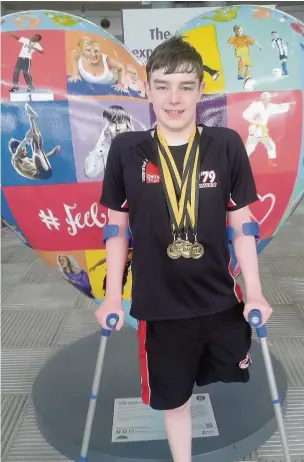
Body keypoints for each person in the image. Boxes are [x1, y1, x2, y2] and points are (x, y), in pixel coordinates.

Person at [95, 36, 272, 462]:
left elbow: (242, 226)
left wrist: (255, 291)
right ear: (148, 90)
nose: (174, 99)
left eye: (186, 86)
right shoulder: (125, 150)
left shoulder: (226, 145)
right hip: (161, 307)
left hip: (218, 299)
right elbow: (115, 232)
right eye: (163, 85)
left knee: (227, 374)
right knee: (172, 399)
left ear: (200, 92)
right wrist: (113, 297)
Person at [8, 103, 60, 180]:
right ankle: (32, 119)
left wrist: (53, 152)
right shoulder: (15, 160)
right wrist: (26, 139)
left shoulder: (26, 160)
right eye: (24, 149)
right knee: (35, 151)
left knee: (36, 145)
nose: (25, 150)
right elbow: (18, 151)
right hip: (42, 174)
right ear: (15, 150)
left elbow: (44, 157)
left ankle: (32, 119)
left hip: (47, 170)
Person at [243, 91, 293, 166]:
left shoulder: (270, 106)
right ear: (262, 99)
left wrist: (289, 105)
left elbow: (279, 107)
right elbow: (245, 114)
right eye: (267, 99)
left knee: (271, 145)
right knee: (250, 147)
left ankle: (271, 161)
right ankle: (241, 161)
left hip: (263, 131)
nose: (268, 100)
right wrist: (253, 117)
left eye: (269, 99)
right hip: (254, 129)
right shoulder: (255, 105)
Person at [84, 105, 135, 179]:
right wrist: (99, 142)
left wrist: (136, 139)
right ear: (106, 127)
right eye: (112, 124)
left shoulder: (138, 145)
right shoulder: (105, 148)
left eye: (121, 123)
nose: (118, 128)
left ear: (128, 124)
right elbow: (89, 172)